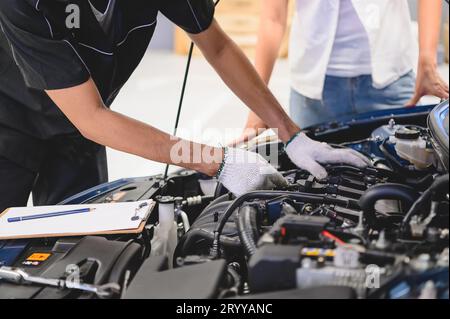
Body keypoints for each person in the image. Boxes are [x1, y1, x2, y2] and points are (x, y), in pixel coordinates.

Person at [0, 0, 368, 212]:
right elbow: (90, 117)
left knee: (75, 254)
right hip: (9, 122)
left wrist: (291, 134)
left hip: (80, 131)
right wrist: (216, 160)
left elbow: (217, 46)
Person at [239, 0, 449, 141]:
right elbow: (272, 18)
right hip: (313, 94)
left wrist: (427, 60)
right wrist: (258, 105)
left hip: (392, 81)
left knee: (406, 189)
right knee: (312, 193)